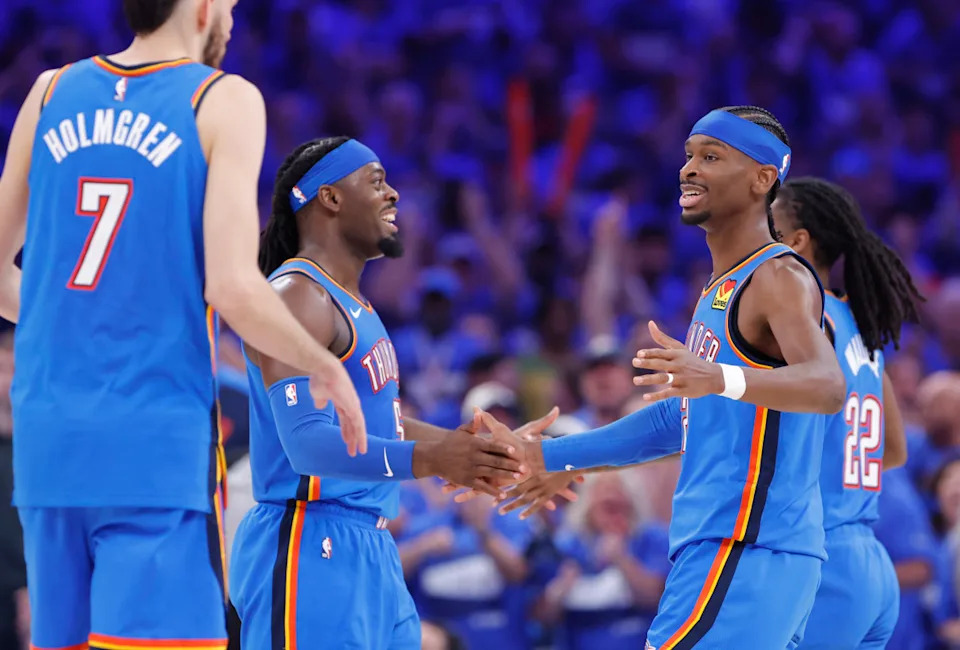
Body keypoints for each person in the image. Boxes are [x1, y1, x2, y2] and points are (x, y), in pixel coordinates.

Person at [0, 1, 368, 647]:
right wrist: (324, 363)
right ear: (200, 7)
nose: (232, 18)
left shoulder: (48, 91)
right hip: (152, 442)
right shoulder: (222, 98)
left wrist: (73, 318)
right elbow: (232, 285)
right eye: (229, 5)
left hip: (48, 444)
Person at [488, 105, 846, 649]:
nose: (689, 169)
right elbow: (677, 419)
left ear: (762, 179)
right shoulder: (718, 291)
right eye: (687, 156)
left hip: (745, 548)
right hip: (733, 551)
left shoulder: (776, 274)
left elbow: (827, 386)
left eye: (711, 157)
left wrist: (722, 377)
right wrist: (556, 457)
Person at [229, 137, 555, 649]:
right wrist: (432, 458)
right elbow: (309, 445)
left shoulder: (352, 304)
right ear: (329, 197)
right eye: (376, 181)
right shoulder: (297, 296)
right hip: (311, 544)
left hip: (371, 547)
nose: (394, 194)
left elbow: (378, 422)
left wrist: (469, 449)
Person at [770, 177, 922, 649]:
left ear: (797, 241)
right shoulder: (860, 321)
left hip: (823, 561)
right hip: (870, 564)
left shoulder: (804, 319)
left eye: (766, 226)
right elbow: (892, 450)